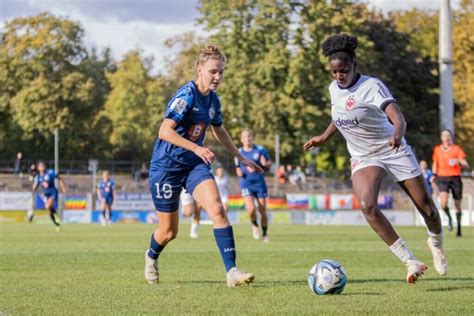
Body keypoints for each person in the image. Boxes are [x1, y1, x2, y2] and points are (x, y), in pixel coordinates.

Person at [303, 34, 447, 284]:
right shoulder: (332, 89)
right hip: (363, 155)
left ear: (354, 64)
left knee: (427, 209)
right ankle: (410, 260)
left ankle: (436, 244)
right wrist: (324, 137)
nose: (339, 77)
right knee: (367, 205)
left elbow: (398, 117)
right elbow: (341, 116)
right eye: (334, 72)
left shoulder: (372, 86)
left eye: (344, 71)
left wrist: (397, 134)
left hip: (393, 147)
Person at [145, 45, 262, 287]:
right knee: (169, 232)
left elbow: (219, 129)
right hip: (165, 168)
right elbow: (164, 131)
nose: (218, 77)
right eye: (213, 71)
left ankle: (232, 273)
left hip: (193, 167)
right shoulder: (185, 96)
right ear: (200, 69)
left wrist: (240, 156)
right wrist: (196, 147)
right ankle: (151, 256)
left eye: (221, 72)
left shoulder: (213, 101)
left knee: (217, 209)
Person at [235, 129, 272, 242]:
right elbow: (237, 169)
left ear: (252, 137)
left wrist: (265, 164)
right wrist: (239, 172)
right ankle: (254, 225)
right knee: (251, 210)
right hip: (246, 183)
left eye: (249, 136)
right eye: (245, 136)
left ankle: (265, 234)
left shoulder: (260, 150)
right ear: (241, 139)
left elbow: (269, 163)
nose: (247, 138)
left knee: (262, 210)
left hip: (259, 184)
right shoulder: (238, 152)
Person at [432, 129, 469, 237]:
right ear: (441, 138)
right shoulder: (437, 149)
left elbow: (466, 165)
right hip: (443, 178)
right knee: (443, 204)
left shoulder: (457, 149)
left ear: (451, 138)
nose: (446, 138)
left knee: (457, 205)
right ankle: (449, 218)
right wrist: (434, 175)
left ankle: (459, 229)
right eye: (444, 136)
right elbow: (435, 163)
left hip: (455, 178)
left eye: (448, 136)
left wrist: (458, 161)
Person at [32, 161, 67, 231]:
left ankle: (57, 216)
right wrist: (34, 185)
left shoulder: (50, 172)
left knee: (47, 206)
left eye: (43, 166)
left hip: (53, 193)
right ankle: (57, 224)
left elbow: (59, 178)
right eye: (41, 166)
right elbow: (34, 188)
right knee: (49, 211)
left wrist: (63, 187)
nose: (42, 167)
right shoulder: (38, 176)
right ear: (38, 168)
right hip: (46, 195)